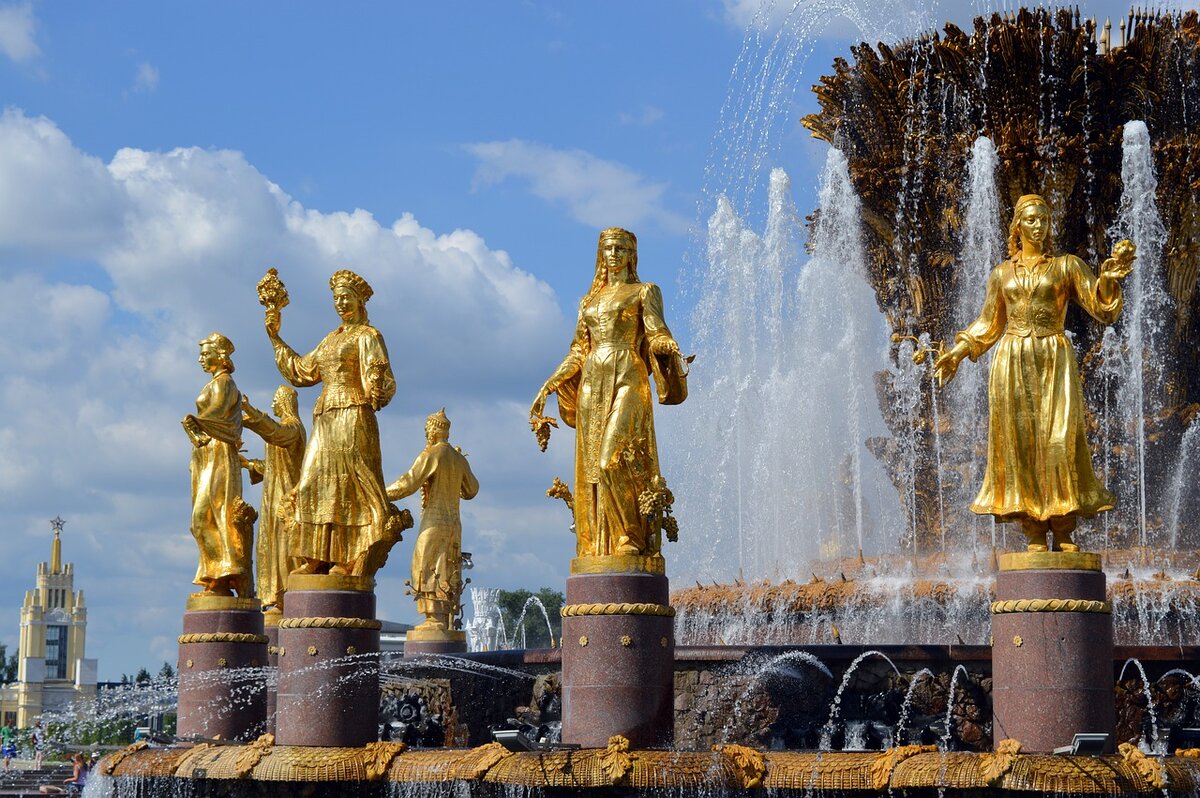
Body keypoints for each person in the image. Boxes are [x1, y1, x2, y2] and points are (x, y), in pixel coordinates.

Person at [934, 194, 1136, 552]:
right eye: (1031, 220)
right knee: (1021, 445)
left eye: (1044, 219)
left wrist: (1107, 280)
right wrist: (956, 352)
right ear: (1018, 227)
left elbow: (1102, 309)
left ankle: (1063, 527)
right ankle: (1032, 532)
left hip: (1054, 358)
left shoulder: (1066, 266)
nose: (1039, 226)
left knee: (1060, 442)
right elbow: (988, 324)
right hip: (1012, 362)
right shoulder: (1001, 274)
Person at [529, 228, 687, 558]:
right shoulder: (588, 301)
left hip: (629, 373)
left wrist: (667, 346)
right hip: (592, 381)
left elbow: (656, 332)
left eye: (621, 248)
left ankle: (632, 536)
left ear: (632, 255)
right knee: (592, 469)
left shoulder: (645, 291)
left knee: (612, 459)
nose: (613, 253)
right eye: (608, 248)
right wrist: (549, 385)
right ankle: (602, 547)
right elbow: (578, 352)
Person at [266, 269, 404, 577]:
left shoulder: (368, 336)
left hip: (354, 414)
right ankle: (316, 556)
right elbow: (303, 371)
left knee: (349, 485)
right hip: (326, 415)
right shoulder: (331, 338)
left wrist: (378, 386)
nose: (341, 303)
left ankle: (349, 556)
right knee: (313, 479)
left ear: (359, 301)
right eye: (337, 298)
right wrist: (275, 336)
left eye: (346, 297)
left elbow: (384, 382)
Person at [387, 409, 479, 631]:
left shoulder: (431, 455)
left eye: (428, 430)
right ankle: (442, 616)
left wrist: (380, 493)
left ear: (434, 431)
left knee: (424, 563)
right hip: (454, 523)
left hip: (434, 522)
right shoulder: (458, 459)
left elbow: (408, 483)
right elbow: (472, 490)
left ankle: (434, 619)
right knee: (448, 564)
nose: (427, 434)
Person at [181, 333, 255, 597]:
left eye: (205, 353)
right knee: (203, 517)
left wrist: (194, 420)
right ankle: (215, 574)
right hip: (206, 452)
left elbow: (219, 415)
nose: (201, 359)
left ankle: (226, 573)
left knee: (209, 515)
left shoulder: (225, 384)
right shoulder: (214, 383)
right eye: (201, 354)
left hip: (218, 451)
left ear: (220, 355)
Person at [241, 385, 307, 607]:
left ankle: (287, 594)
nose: (272, 405)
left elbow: (275, 433)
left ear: (285, 402)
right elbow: (271, 466)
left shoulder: (293, 428)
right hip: (272, 495)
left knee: (283, 546)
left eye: (275, 400)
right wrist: (248, 464)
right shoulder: (283, 429)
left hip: (286, 497)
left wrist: (251, 412)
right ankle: (275, 598)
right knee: (269, 546)